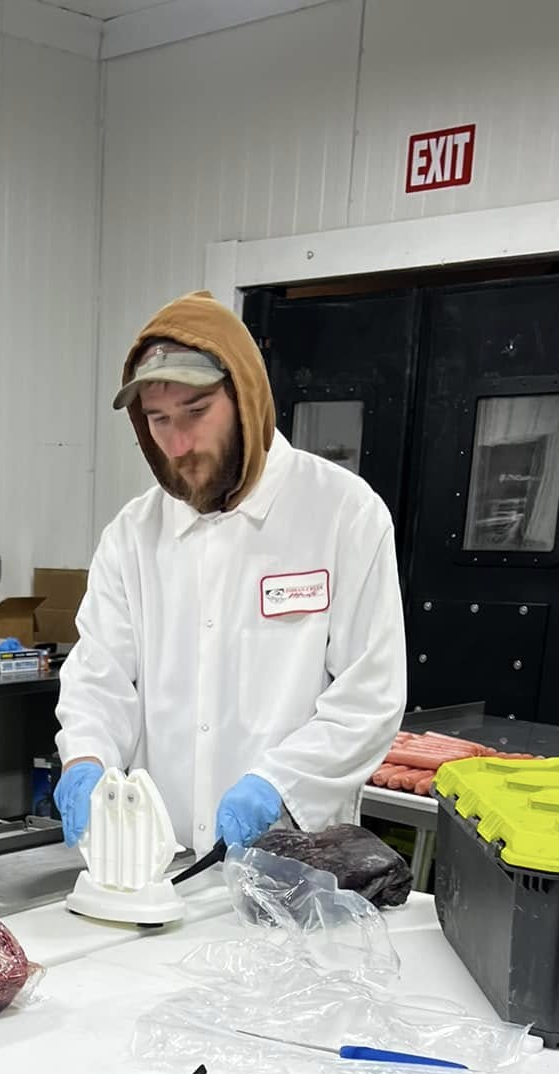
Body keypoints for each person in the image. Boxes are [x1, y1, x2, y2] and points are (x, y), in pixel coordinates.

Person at [54, 290, 406, 853]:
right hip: (158, 864)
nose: (179, 443)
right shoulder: (132, 535)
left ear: (246, 397)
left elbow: (369, 697)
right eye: (158, 420)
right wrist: (87, 757)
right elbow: (100, 679)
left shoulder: (342, 514)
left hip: (294, 859)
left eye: (196, 412)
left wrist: (278, 784)